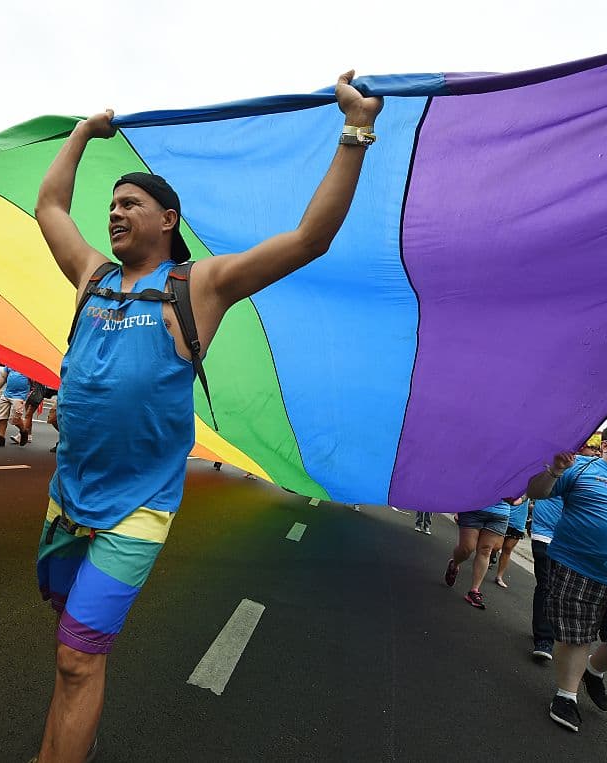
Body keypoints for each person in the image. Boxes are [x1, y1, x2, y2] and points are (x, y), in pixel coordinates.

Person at [30, 71, 382, 762]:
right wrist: (80, 132)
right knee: (66, 641)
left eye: (130, 203)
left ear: (167, 220)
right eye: (110, 204)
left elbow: (310, 238)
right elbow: (49, 205)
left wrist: (355, 129)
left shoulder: (204, 284)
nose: (114, 213)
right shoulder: (91, 276)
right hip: (67, 499)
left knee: (78, 657)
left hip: (138, 509)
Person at [526, 422, 607, 733]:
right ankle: (566, 696)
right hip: (577, 567)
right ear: (605, 445)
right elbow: (535, 492)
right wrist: (553, 471)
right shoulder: (580, 468)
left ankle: (593, 669)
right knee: (577, 635)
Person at [444, 499, 511, 609]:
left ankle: (474, 590)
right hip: (473, 507)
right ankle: (454, 564)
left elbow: (524, 488)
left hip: (500, 512)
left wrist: (521, 498)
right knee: (466, 549)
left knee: (486, 550)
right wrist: (457, 508)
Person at [530, 495, 564, 661]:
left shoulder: (589, 471)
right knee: (546, 584)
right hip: (544, 535)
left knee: (560, 590)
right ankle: (544, 639)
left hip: (570, 540)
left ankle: (549, 631)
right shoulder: (548, 469)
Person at [0, 365, 30, 446]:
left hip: (20, 396)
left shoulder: (30, 365)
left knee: (15, 419)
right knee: (1, 416)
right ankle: (1, 438)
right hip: (6, 394)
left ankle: (24, 431)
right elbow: (3, 377)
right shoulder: (12, 363)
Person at [494, 496, 529, 588]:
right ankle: (491, 555)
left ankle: (499, 576)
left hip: (519, 520)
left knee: (508, 548)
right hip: (504, 514)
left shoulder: (529, 485)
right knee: (496, 546)